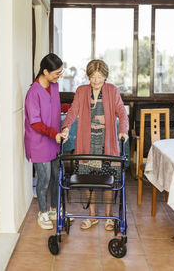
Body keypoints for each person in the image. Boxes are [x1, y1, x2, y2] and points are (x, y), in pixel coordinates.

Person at [61, 59, 129, 230]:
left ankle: (107, 216)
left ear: (105, 76)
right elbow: (73, 110)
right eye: (92, 76)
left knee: (108, 179)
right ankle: (92, 215)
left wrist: (123, 130)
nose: (96, 80)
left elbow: (121, 111)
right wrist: (66, 128)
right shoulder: (82, 91)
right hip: (87, 143)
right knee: (87, 179)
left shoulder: (112, 90)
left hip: (106, 144)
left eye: (99, 76)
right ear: (89, 77)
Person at [24, 53, 64, 230]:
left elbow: (55, 109)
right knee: (44, 179)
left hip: (54, 140)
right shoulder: (33, 92)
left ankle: (54, 209)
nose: (59, 76)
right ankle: (43, 212)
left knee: (56, 176)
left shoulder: (54, 87)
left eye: (61, 72)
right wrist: (52, 133)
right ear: (45, 71)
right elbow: (35, 122)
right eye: (57, 73)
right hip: (39, 141)